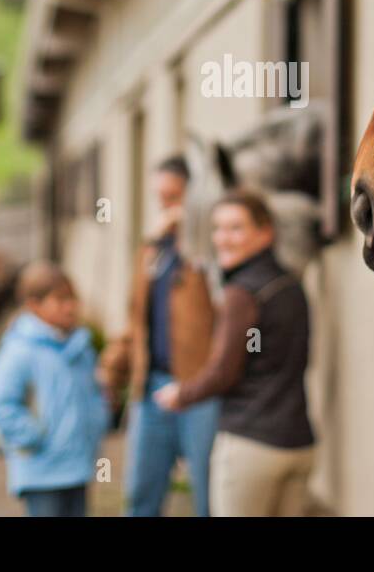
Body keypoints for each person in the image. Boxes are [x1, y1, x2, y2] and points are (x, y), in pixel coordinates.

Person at [155, 189, 315, 517]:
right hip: (299, 445)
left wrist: (180, 394)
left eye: (236, 228)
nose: (223, 239)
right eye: (218, 228)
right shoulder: (292, 285)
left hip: (251, 447)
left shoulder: (241, 293)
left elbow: (223, 372)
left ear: (265, 232)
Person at [100, 154, 220, 517]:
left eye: (174, 197)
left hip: (198, 388)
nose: (166, 206)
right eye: (161, 198)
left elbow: (218, 304)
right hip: (150, 386)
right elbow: (136, 317)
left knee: (208, 494)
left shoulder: (209, 248)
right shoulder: (152, 249)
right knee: (139, 493)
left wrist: (190, 238)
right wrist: (113, 367)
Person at [0, 262, 109, 517]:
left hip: (78, 466)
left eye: (73, 298)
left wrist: (99, 421)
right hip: (42, 471)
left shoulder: (80, 347)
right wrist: (34, 437)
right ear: (34, 305)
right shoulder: (20, 351)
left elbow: (93, 395)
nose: (70, 306)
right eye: (60, 300)